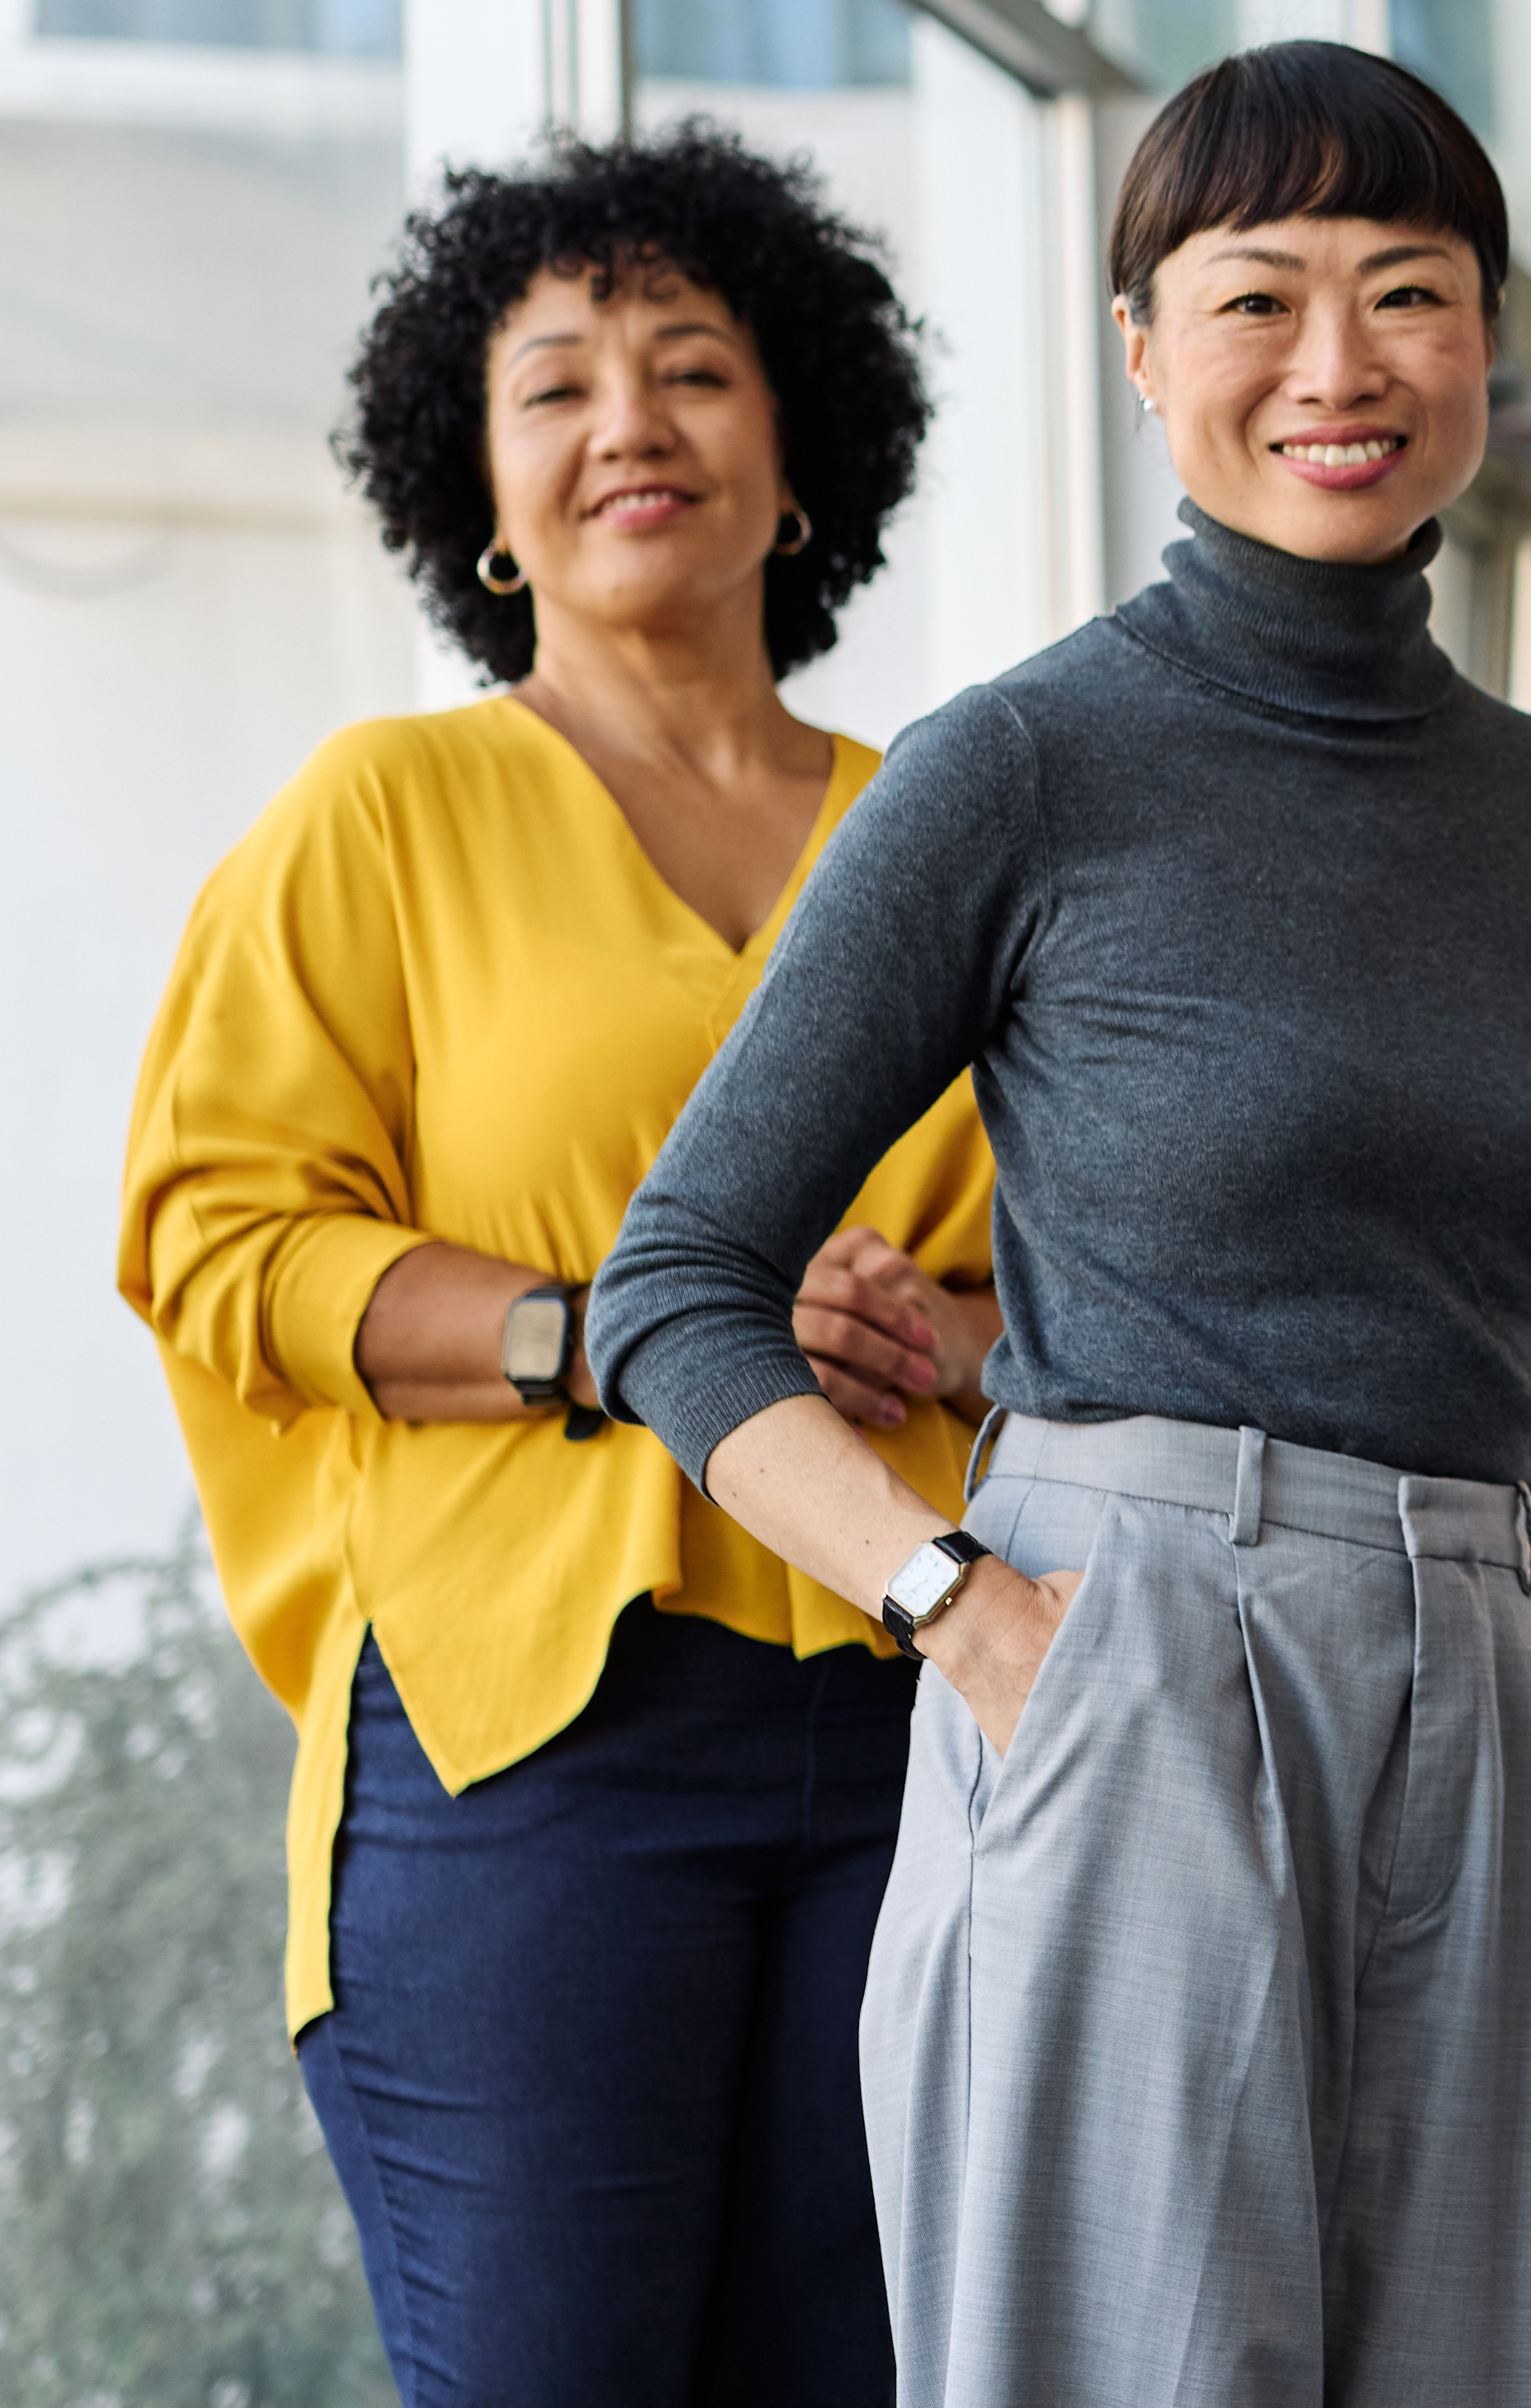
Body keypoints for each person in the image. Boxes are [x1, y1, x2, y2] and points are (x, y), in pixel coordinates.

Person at [590, 43, 1531, 2408]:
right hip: (1127, 1647)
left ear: (1484, 340)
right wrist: (958, 1610)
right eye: (1257, 298)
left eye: (1409, 293)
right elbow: (683, 1286)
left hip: (1475, 1674)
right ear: (1144, 348)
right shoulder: (1029, 763)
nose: (1340, 367)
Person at [118, 124, 997, 2407]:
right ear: (479, 497)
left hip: (919, 1712)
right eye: (558, 385)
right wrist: (606, 1335)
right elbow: (224, 1235)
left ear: (797, 452)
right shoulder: (378, 816)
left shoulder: (949, 824)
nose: (632, 423)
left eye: (696, 368)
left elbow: (1069, 1278)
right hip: (532, 1745)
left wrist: (947, 1329)